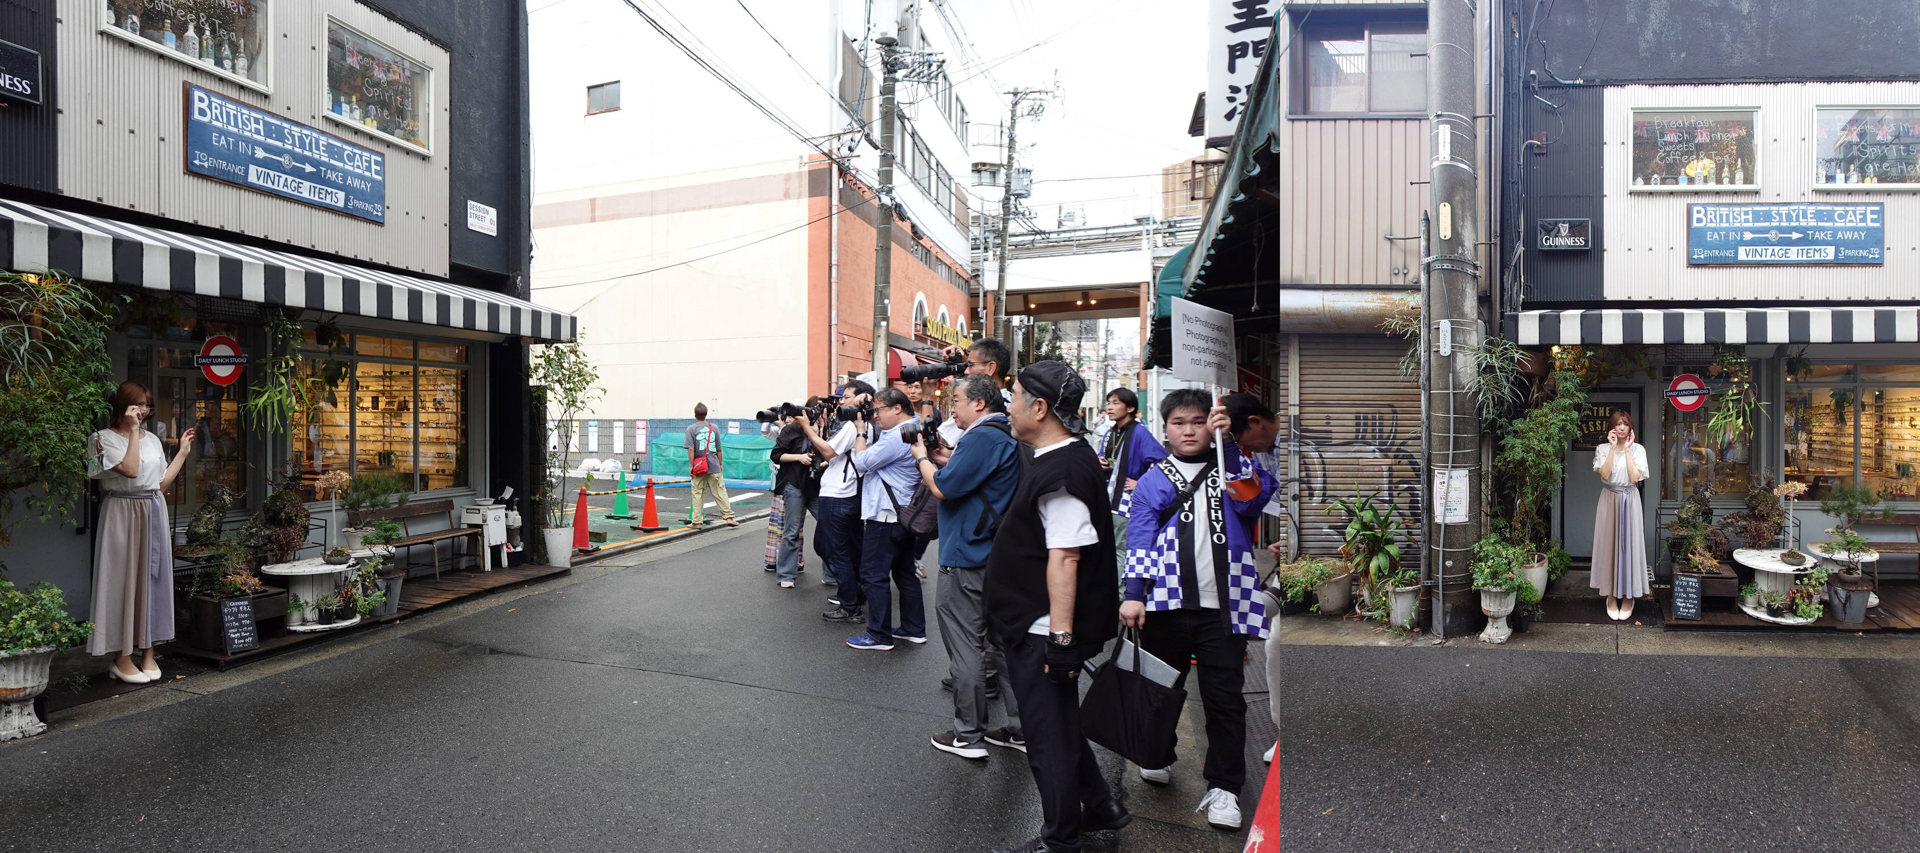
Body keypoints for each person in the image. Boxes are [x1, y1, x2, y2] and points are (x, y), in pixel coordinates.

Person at [984, 361, 1128, 853]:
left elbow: (1065, 557)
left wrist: (1061, 642)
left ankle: (1061, 839)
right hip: (1037, 623)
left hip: (1044, 628)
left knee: (1047, 739)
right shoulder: (1059, 455)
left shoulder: (1063, 469)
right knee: (1059, 727)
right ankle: (1100, 805)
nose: (1010, 405)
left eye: (1016, 396)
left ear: (1040, 408)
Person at [1120, 389, 1280, 832]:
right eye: (1178, 423)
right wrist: (1134, 592)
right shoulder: (1153, 479)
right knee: (1160, 692)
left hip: (1224, 609)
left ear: (1211, 424)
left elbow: (1252, 498)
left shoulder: (1232, 468)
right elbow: (1140, 538)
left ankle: (1225, 788)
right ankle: (1156, 754)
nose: (1188, 430)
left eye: (1197, 421)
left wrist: (1229, 443)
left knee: (1225, 701)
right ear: (1165, 428)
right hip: (1164, 605)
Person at [912, 374, 1024, 760]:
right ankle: (1020, 727)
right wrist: (944, 459)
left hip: (968, 555)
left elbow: (943, 487)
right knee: (999, 646)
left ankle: (967, 734)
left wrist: (923, 459)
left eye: (956, 401)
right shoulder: (1004, 434)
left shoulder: (981, 436)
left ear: (978, 403)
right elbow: (972, 479)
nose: (951, 408)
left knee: (966, 646)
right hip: (996, 555)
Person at [88, 381, 199, 684]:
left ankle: (148, 652)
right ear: (122, 406)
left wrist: (182, 453)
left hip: (153, 509)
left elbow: (160, 484)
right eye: (137, 404)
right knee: (120, 580)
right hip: (122, 513)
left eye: (147, 405)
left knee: (153, 580)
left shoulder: (152, 439)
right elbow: (131, 470)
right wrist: (134, 431)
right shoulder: (101, 439)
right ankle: (120, 657)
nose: (143, 410)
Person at [843, 387, 926, 650]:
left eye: (878, 410)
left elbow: (861, 462)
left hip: (886, 515)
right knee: (904, 573)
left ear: (897, 408)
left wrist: (859, 430)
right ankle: (914, 629)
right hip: (904, 514)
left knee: (873, 574)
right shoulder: (911, 428)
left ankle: (878, 635)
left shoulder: (896, 437)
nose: (874, 415)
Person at [807, 381, 875, 621]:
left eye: (846, 397)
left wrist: (807, 428)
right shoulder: (865, 426)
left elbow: (828, 451)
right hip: (851, 495)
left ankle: (850, 604)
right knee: (850, 549)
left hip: (837, 496)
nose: (842, 401)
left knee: (833, 550)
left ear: (860, 400)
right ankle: (855, 592)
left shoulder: (853, 426)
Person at [1095, 388, 1167, 560]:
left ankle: (1120, 588)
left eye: (1116, 403)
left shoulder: (1140, 432)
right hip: (1108, 500)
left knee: (1120, 551)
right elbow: (1101, 455)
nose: (1110, 407)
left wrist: (1141, 483)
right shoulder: (1110, 433)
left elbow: (1164, 463)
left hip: (1126, 502)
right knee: (1109, 551)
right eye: (1108, 403)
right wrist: (1100, 462)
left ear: (1130, 408)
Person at [1593, 410, 1649, 621]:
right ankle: (1610, 595)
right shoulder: (1602, 449)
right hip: (1609, 500)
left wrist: (1626, 451)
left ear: (1630, 427)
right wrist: (1612, 450)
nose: (1622, 427)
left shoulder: (1638, 450)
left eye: (1625, 423)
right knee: (1609, 545)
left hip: (1630, 500)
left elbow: (1635, 478)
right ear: (1612, 427)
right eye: (1618, 424)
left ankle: (1628, 597)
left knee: (1630, 547)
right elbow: (1605, 474)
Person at [768, 401, 820, 589]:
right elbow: (776, 455)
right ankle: (786, 575)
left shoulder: (819, 429)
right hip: (793, 484)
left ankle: (832, 573)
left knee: (829, 525)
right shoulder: (790, 431)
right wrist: (799, 457)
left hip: (815, 485)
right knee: (792, 529)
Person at [684, 403, 738, 528]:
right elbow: (719, 448)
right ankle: (729, 517)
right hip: (714, 465)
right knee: (720, 491)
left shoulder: (691, 429)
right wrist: (720, 464)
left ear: (695, 414)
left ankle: (696, 521)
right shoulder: (714, 428)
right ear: (706, 414)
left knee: (697, 493)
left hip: (699, 466)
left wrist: (691, 466)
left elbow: (691, 449)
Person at [1222, 392, 1282, 481]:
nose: (1241, 447)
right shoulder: (1259, 446)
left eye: (1238, 440)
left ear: (1255, 421)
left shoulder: (1301, 437)